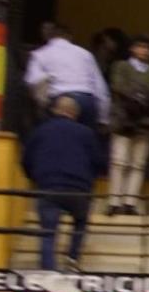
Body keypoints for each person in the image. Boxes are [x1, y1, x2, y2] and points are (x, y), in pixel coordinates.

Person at [21, 95, 104, 272]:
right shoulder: (86, 133)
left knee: (48, 233)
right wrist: (90, 180)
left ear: (55, 110)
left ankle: (48, 271)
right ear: (75, 114)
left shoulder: (41, 131)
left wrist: (35, 178)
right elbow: (100, 163)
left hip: (48, 187)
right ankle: (72, 259)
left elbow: (26, 160)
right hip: (79, 189)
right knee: (80, 221)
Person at [105, 35, 149, 217]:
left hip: (145, 121)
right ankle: (114, 201)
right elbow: (117, 85)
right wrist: (141, 93)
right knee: (118, 161)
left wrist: (139, 92)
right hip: (123, 118)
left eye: (147, 48)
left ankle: (130, 202)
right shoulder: (121, 66)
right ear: (132, 49)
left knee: (138, 164)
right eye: (141, 47)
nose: (145, 51)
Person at [24, 21, 110, 130]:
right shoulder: (85, 54)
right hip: (87, 102)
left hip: (60, 102)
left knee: (58, 142)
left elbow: (33, 81)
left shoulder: (40, 54)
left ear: (50, 36)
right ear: (70, 37)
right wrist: (103, 119)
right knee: (84, 141)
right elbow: (101, 89)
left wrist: (41, 108)